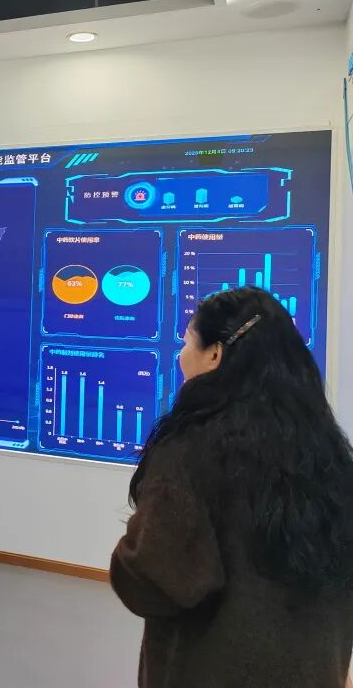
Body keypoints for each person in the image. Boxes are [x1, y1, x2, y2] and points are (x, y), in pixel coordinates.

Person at [111, 286, 353, 688]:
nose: (180, 355)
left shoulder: (190, 449)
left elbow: (155, 581)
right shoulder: (329, 452)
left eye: (187, 341)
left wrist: (131, 549)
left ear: (215, 355)